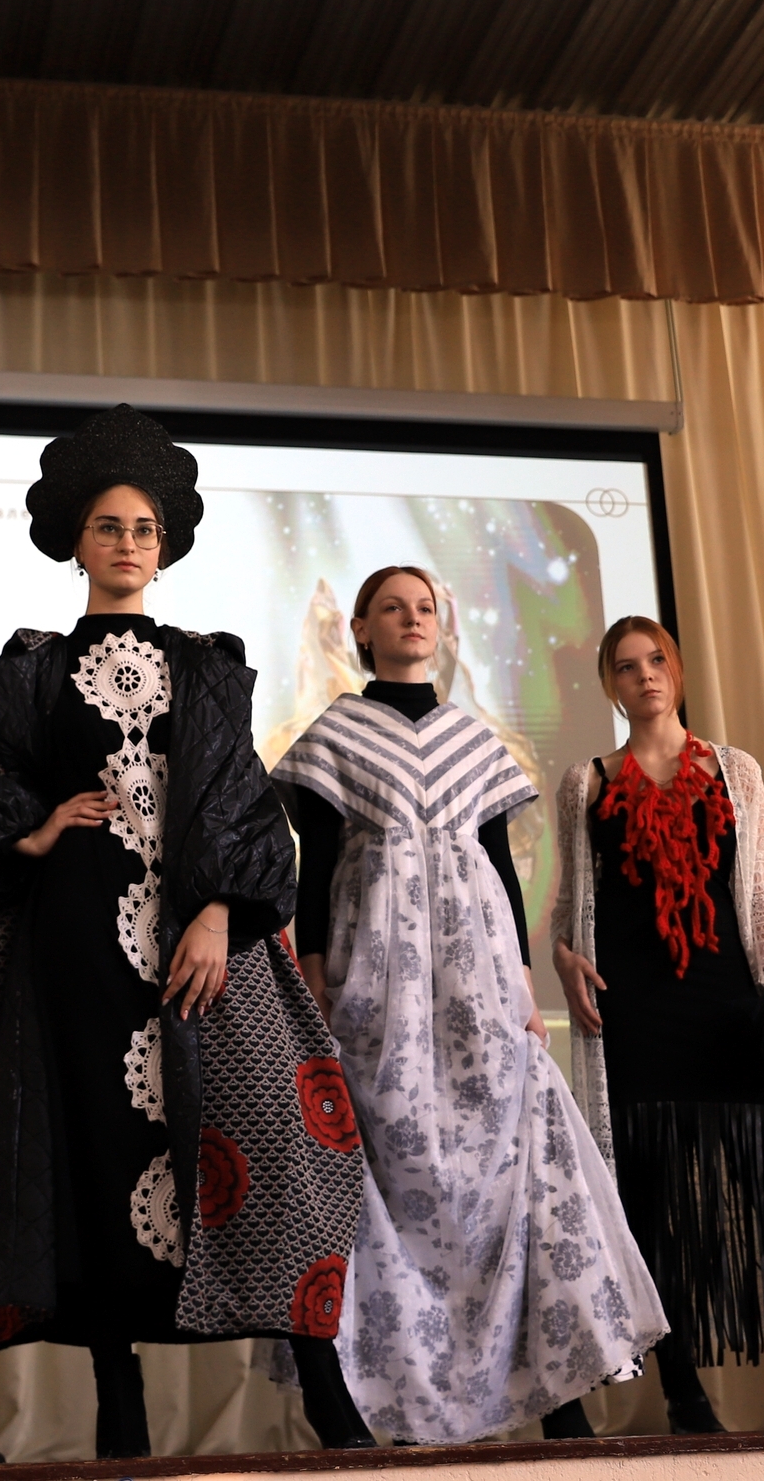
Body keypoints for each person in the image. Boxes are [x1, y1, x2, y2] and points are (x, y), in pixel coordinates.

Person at [0, 406, 372, 1458]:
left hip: (197, 943)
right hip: (71, 946)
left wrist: (218, 911)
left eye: (144, 530)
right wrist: (30, 833)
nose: (127, 543)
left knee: (272, 1142)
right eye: (109, 527)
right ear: (77, 541)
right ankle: (120, 1413)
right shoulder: (29, 668)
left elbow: (243, 799)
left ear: (164, 549)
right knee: (89, 1152)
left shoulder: (207, 665)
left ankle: (329, 1399)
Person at [272, 566, 667, 1445]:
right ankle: (396, 1401)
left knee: (510, 1163)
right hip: (379, 981)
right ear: (362, 630)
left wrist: (522, 981)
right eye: (391, 609)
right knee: (394, 1169)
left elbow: (496, 864)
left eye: (424, 608)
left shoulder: (474, 738)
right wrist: (317, 972)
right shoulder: (337, 734)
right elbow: (319, 863)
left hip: (478, 979)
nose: (411, 620)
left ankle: (557, 1397)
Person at [549, 616, 764, 1432]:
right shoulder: (585, 782)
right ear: (610, 685)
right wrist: (562, 956)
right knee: (650, 1208)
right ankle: (684, 1396)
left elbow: (762, 893)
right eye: (626, 667)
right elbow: (570, 901)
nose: (645, 676)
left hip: (727, 1004)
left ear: (677, 670)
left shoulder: (735, 770)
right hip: (634, 1015)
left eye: (656, 660)